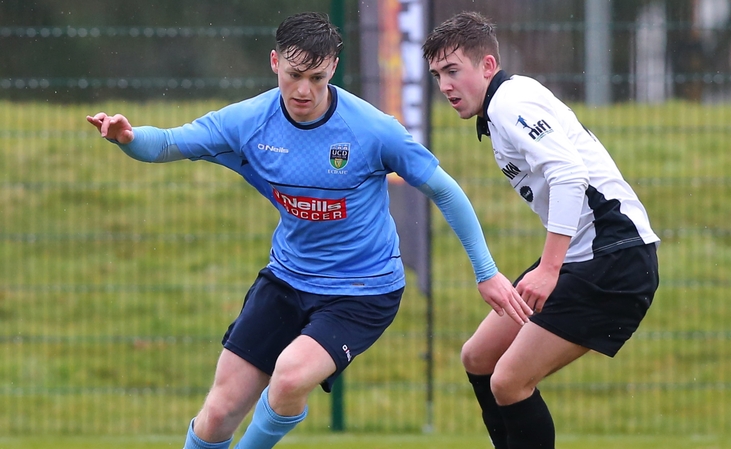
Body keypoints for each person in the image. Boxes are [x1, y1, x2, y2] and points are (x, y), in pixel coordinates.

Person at [86, 11, 530, 449]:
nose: (304, 90)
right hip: (286, 280)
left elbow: (446, 192)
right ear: (275, 62)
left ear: (333, 67)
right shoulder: (249, 121)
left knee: (291, 375)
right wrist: (128, 138)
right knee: (218, 413)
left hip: (362, 292)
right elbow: (167, 142)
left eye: (317, 78)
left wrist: (486, 271)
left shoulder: (371, 130)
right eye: (295, 74)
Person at [423, 11, 661, 449]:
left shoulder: (511, 101)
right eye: (438, 75)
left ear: (488, 66)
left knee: (509, 381)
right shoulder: (500, 108)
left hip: (615, 259)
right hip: (586, 254)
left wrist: (549, 269)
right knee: (479, 358)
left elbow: (569, 175)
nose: (445, 87)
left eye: (453, 71)